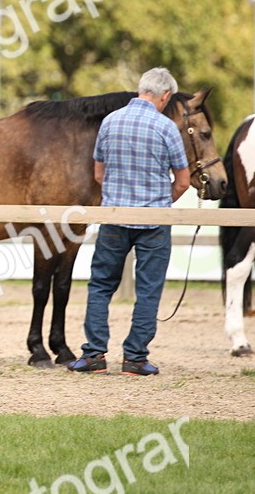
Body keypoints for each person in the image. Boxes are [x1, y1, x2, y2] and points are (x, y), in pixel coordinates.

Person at [69, 68, 190, 377]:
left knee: (100, 286)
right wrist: (162, 202)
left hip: (114, 217)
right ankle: (135, 359)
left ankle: (94, 354)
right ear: (165, 96)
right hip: (153, 222)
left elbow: (99, 174)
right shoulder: (166, 128)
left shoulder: (110, 122)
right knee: (148, 291)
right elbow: (184, 181)